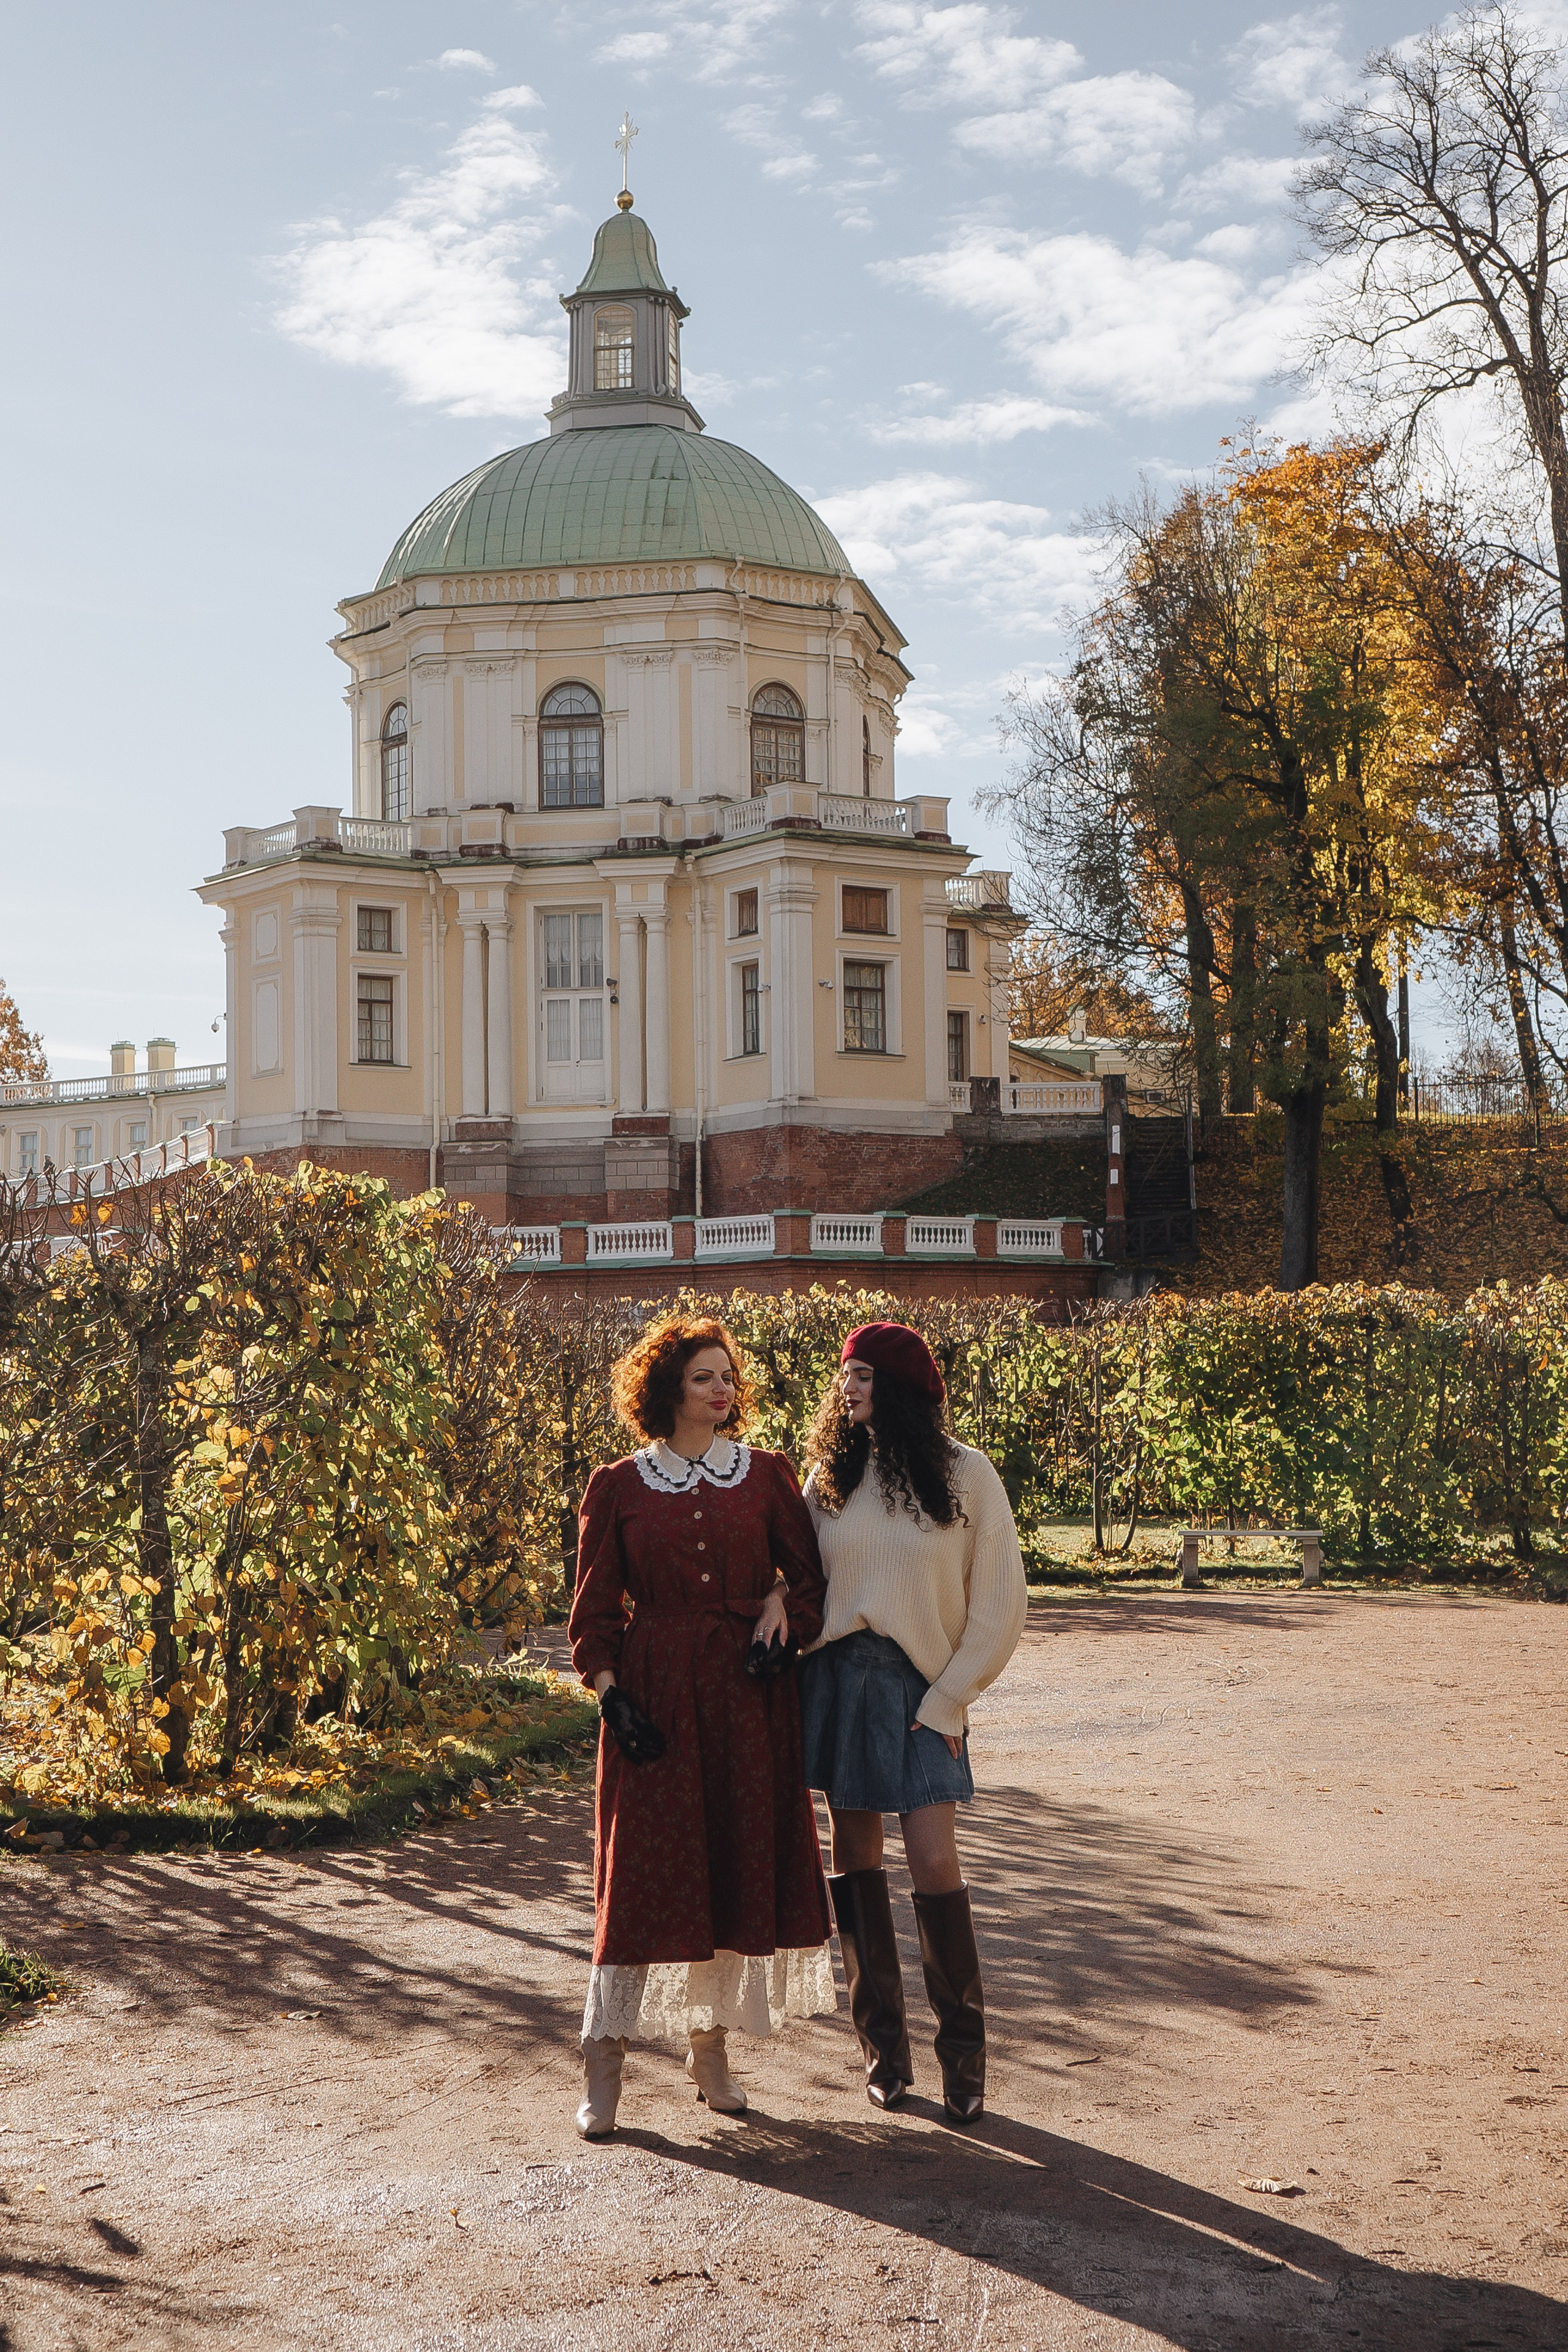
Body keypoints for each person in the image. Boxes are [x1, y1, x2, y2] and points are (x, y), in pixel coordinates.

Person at [567, 1311, 835, 2139]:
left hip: (746, 1702)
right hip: (652, 1699)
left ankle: (709, 2052)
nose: (722, 1389)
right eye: (703, 1377)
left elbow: (811, 1579)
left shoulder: (766, 1475)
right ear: (667, 1390)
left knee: (727, 1870)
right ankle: (603, 2060)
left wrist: (780, 1607)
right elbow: (593, 1613)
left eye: (727, 1376)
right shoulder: (619, 1484)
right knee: (639, 1880)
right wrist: (611, 1696)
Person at [798, 1320, 1027, 2125]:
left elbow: (1001, 1602)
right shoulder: (829, 1475)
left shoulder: (968, 1474)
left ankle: (964, 2061)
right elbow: (797, 1575)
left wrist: (950, 1699)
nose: (848, 1389)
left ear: (898, 1387)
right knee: (854, 1856)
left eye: (863, 1376)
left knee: (933, 1859)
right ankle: (883, 2054)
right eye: (845, 1376)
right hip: (839, 1682)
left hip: (924, 1691)